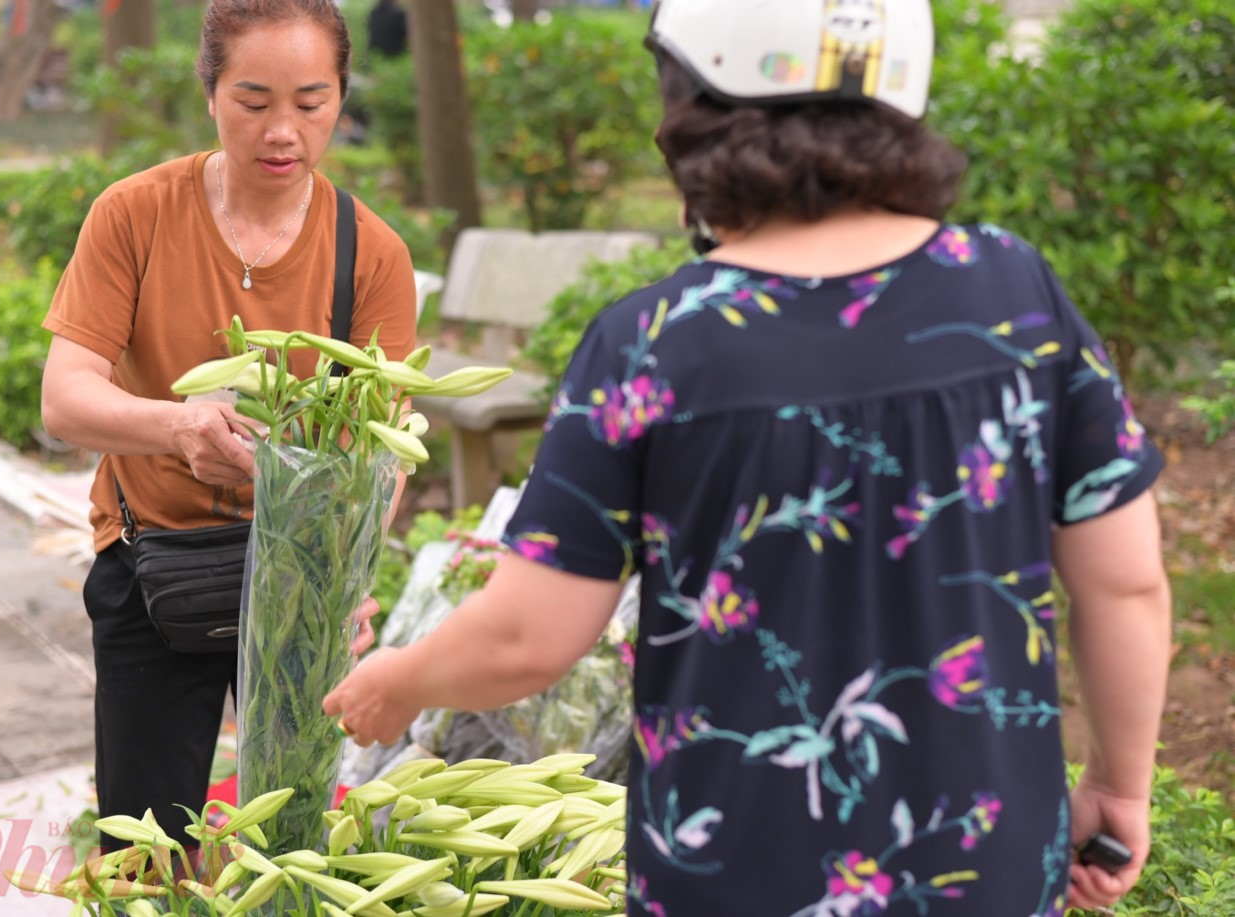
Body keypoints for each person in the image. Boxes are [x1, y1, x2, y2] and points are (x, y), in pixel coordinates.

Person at [322, 1, 1172, 914]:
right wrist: (1119, 790)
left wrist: (399, 679)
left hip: (732, 869)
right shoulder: (1016, 296)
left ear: (695, 102)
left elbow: (529, 635)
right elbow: (1124, 582)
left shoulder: (651, 345)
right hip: (983, 864)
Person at [40, 0, 418, 850]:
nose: (282, 130)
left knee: (291, 845)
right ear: (210, 92)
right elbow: (65, 399)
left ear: (341, 98)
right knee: (145, 847)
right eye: (253, 101)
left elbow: (381, 456)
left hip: (298, 584)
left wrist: (346, 575)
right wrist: (177, 427)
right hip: (150, 561)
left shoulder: (372, 253)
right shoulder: (134, 215)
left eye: (311, 102)